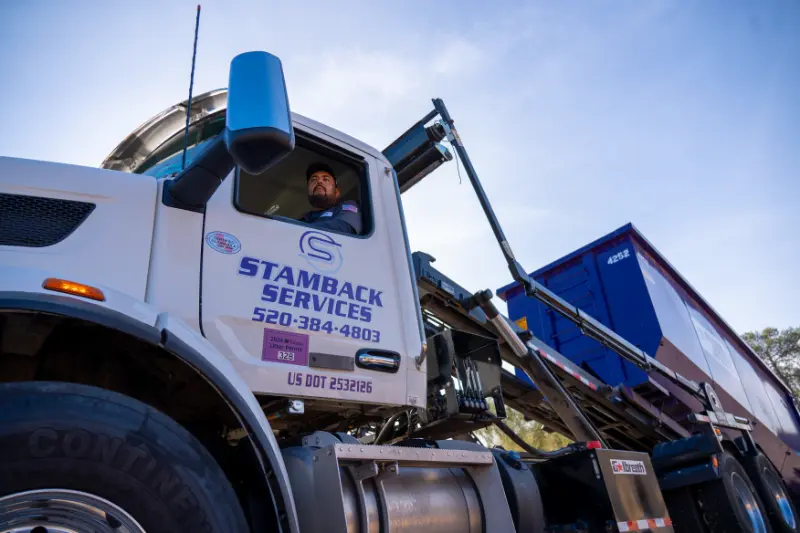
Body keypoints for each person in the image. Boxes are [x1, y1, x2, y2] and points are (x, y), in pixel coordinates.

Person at [299, 162, 362, 235]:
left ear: (337, 192)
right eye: (314, 180)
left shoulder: (347, 207)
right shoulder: (303, 219)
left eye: (325, 179)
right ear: (308, 191)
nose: (319, 181)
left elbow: (343, 228)